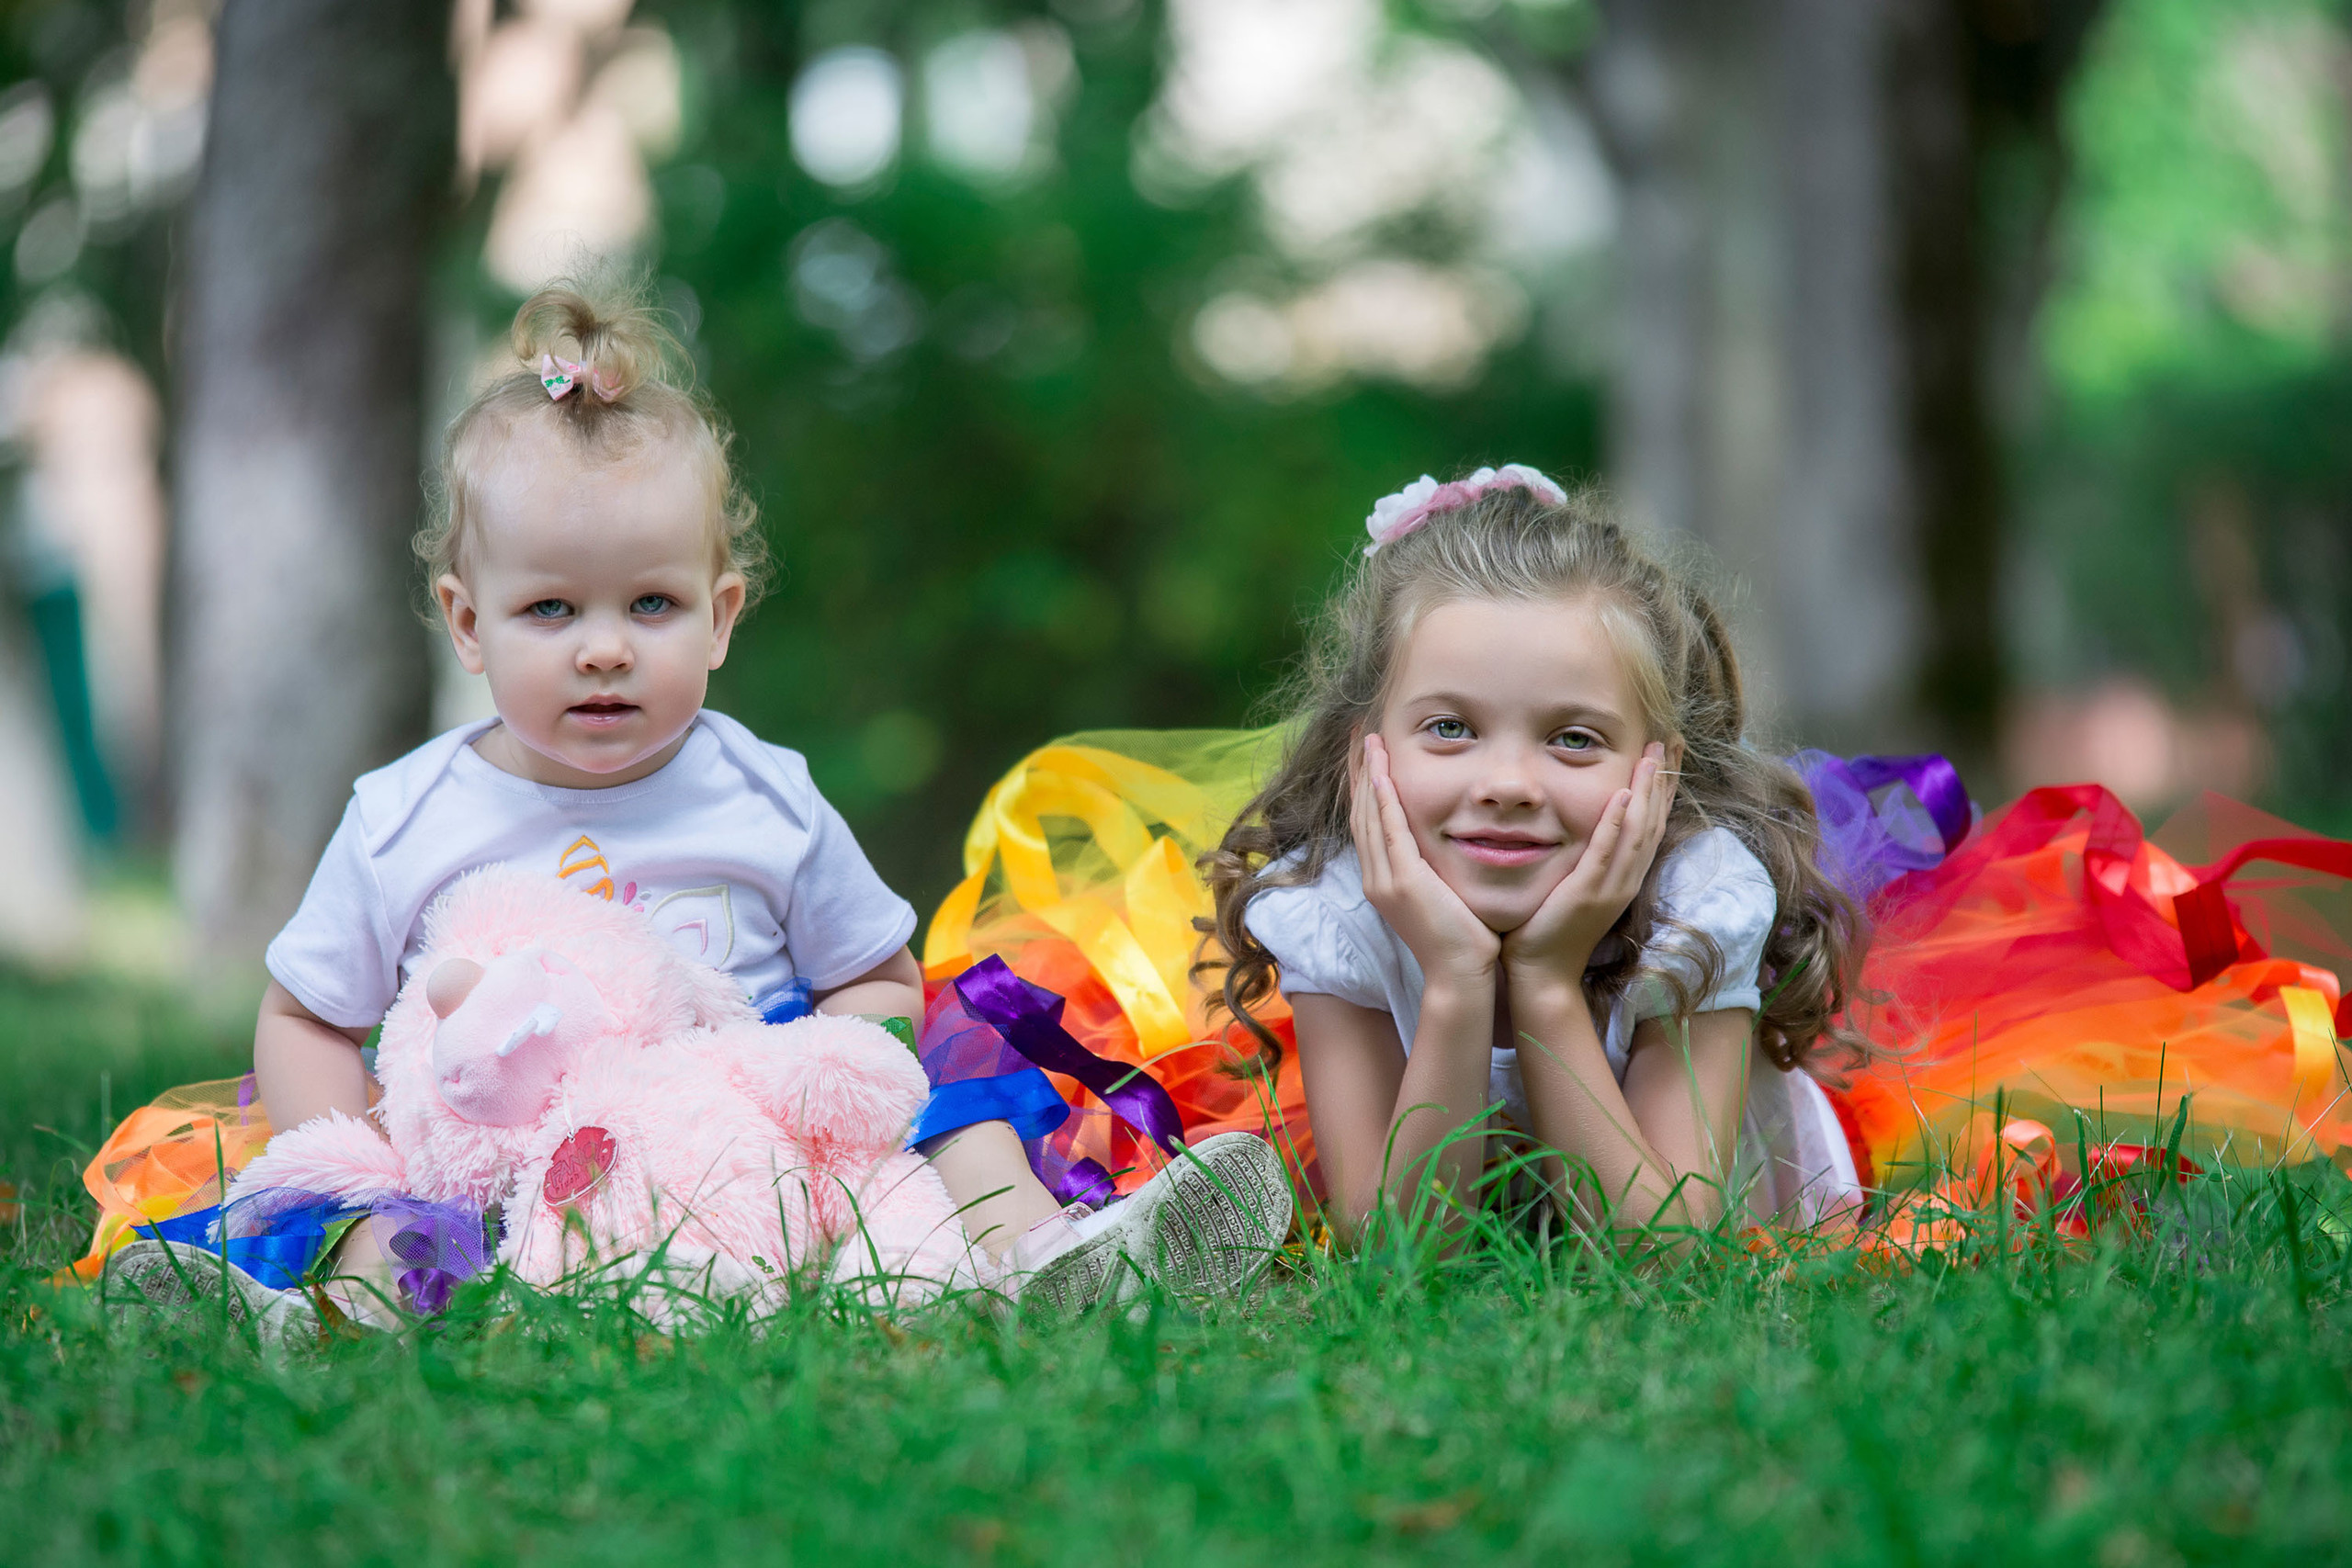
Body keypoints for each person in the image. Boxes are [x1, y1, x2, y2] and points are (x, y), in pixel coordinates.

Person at [101, 279, 1283, 1334]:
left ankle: (1046, 1260)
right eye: (552, 611)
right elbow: (306, 1012)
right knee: (383, 1215)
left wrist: (835, 1068)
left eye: (653, 607)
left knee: (962, 1091)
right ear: (468, 623)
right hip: (523, 1163)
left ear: (721, 616)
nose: (605, 650)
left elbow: (874, 974)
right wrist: (358, 1146)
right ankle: (325, 1314)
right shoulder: (408, 816)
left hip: (756, 1147)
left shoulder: (762, 795)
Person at [1201, 466, 1869, 1243]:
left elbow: (1662, 1251)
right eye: (1450, 727)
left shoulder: (1701, 900)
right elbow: (1398, 1254)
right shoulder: (1336, 906)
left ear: (1661, 770)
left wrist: (1547, 982)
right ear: (1366, 756)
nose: (1509, 784)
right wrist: (1454, 979)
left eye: (1573, 738)